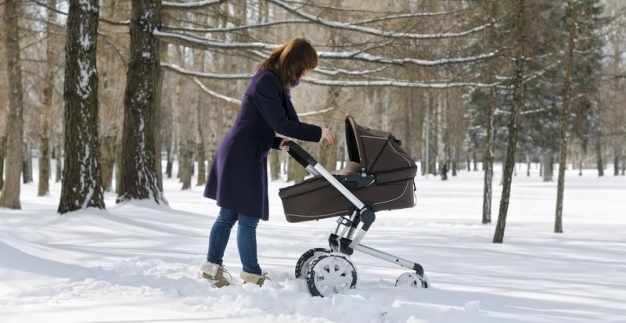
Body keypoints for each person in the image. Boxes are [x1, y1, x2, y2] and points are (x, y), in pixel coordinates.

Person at [200, 38, 335, 287]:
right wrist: (318, 132)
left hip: (245, 152)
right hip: (242, 156)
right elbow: (281, 123)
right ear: (294, 63)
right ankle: (251, 273)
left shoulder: (271, 81)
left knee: (228, 215)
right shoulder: (266, 82)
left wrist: (275, 142)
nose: (304, 74)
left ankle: (212, 267)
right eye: (304, 68)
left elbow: (257, 123)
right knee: (247, 217)